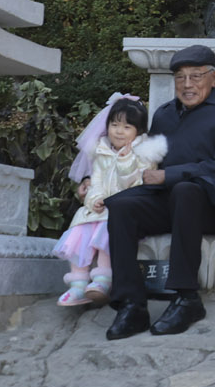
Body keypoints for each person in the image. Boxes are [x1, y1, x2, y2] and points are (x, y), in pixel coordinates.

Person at [103, 45, 215, 339]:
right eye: (180, 78)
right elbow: (147, 160)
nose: (187, 85)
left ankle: (187, 298)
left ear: (214, 77)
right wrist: (103, 178)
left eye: (195, 77)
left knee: (186, 189)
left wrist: (168, 175)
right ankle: (132, 303)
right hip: (171, 200)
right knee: (120, 205)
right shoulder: (165, 114)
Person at [56, 97, 166, 307]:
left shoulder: (144, 154)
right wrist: (94, 199)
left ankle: (103, 279)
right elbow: (95, 181)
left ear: (139, 131)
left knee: (105, 231)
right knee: (80, 231)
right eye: (114, 125)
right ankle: (78, 285)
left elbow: (134, 182)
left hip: (125, 209)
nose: (118, 131)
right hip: (99, 208)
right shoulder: (102, 151)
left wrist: (125, 159)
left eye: (126, 126)